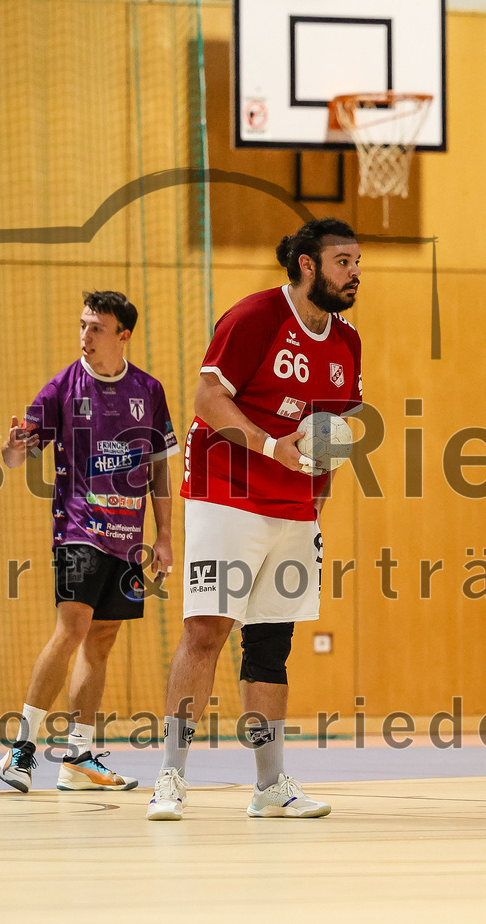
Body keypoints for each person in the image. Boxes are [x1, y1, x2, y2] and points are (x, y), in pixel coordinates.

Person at [147, 217, 364, 821]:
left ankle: (271, 787)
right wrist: (273, 449)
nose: (354, 274)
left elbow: (337, 431)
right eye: (342, 262)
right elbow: (207, 400)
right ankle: (170, 776)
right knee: (206, 630)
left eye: (356, 263)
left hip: (293, 509)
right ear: (307, 265)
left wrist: (318, 492)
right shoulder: (254, 317)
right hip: (226, 494)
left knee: (271, 643)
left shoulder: (347, 343)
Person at [0, 290, 178, 792]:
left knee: (102, 639)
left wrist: (164, 536)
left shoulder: (149, 389)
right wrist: (13, 448)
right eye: (82, 325)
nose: (85, 335)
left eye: (96, 327)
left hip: (128, 537)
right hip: (77, 530)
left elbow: (160, 469)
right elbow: (17, 457)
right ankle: (21, 749)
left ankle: (78, 756)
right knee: (72, 629)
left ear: (123, 335)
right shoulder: (62, 386)